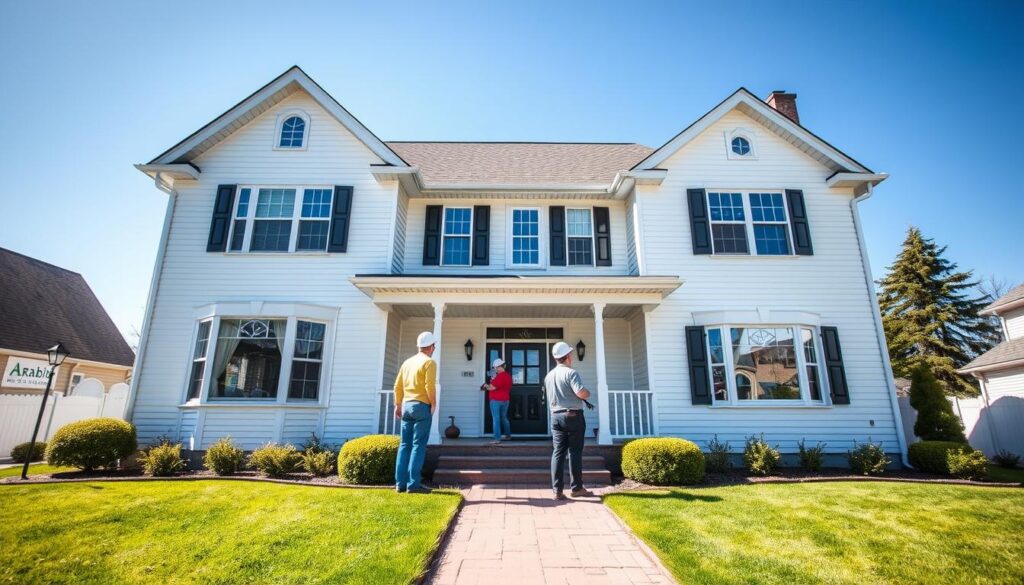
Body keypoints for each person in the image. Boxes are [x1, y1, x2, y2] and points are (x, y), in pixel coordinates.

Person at [544, 341, 595, 500]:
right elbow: (580, 392)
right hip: (572, 416)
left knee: (558, 452)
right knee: (575, 452)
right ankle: (577, 488)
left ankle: (557, 491)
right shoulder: (571, 373)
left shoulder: (548, 375)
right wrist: (588, 393)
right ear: (567, 357)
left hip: (555, 417)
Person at [393, 331, 437, 493]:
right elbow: (429, 386)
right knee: (418, 445)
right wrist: (433, 403)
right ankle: (413, 485)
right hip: (421, 407)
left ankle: (400, 484)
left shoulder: (407, 362)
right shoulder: (429, 362)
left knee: (404, 445)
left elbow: (397, 386)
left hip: (406, 406)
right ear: (432, 346)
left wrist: (398, 405)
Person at [481, 357, 512, 444]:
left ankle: (497, 439)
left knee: (496, 419)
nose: (495, 370)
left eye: (495, 368)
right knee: (504, 418)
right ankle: (508, 435)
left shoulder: (499, 377)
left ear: (499, 367)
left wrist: (486, 385)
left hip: (496, 400)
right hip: (506, 400)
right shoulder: (508, 376)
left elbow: (492, 388)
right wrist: (493, 380)